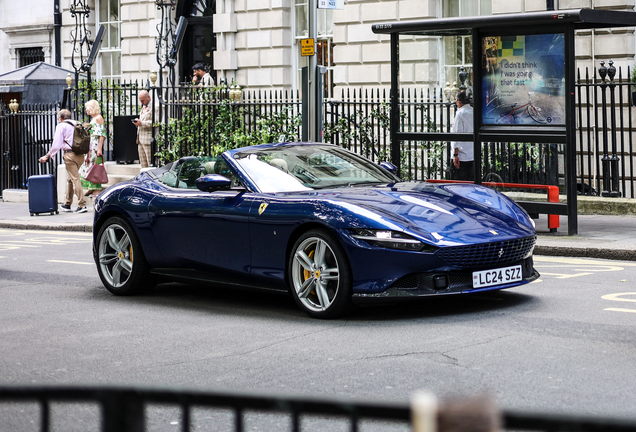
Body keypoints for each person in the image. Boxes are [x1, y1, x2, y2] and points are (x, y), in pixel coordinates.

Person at [39, 109, 87, 213]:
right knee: (70, 178)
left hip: (70, 155)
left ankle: (82, 204)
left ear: (60, 118)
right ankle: (67, 203)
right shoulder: (77, 124)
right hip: (81, 155)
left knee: (75, 179)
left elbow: (56, 144)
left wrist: (48, 155)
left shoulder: (61, 126)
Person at [83, 100, 106, 195]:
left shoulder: (98, 118)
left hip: (95, 146)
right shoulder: (94, 118)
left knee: (95, 166)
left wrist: (99, 148)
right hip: (91, 145)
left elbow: (102, 134)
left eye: (87, 108)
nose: (86, 110)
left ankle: (96, 188)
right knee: (89, 165)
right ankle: (91, 186)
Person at [450, 90, 474, 181]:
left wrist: (455, 154)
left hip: (461, 157)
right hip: (472, 155)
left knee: (459, 184)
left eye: (456, 100)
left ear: (459, 101)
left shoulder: (460, 113)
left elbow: (457, 134)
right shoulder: (473, 112)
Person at [132, 90, 157, 168]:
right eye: (140, 100)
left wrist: (141, 123)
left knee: (150, 164)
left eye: (143, 100)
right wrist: (138, 123)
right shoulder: (144, 107)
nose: (142, 102)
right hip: (140, 139)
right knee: (143, 166)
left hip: (148, 140)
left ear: (148, 97)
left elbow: (156, 122)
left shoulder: (155, 106)